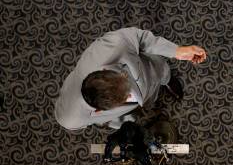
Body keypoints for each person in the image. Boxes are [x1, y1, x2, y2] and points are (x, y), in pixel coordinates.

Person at [55, 27, 207, 130]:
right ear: (100, 110)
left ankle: (166, 79)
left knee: (161, 71)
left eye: (124, 78)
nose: (131, 93)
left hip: (149, 70)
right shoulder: (69, 118)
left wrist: (176, 50)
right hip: (120, 115)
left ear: (104, 71)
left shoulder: (113, 47)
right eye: (125, 96)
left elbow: (138, 37)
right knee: (136, 113)